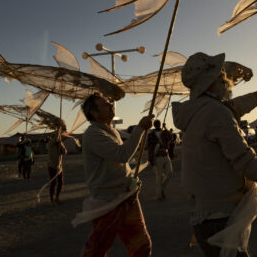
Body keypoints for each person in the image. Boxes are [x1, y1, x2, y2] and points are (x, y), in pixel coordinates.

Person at [172, 52, 257, 257]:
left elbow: (237, 106)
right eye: (222, 78)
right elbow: (248, 164)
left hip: (205, 218)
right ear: (211, 83)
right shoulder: (216, 112)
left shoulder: (200, 110)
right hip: (220, 220)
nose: (227, 81)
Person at [78, 93, 153, 257]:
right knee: (97, 250)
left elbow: (120, 164)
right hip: (107, 201)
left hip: (126, 197)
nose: (111, 105)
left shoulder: (111, 131)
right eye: (105, 104)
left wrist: (131, 179)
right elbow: (122, 155)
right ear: (94, 113)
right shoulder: (93, 133)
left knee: (141, 246)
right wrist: (140, 128)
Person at [151, 120, 173, 200]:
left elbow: (171, 137)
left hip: (166, 156)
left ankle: (162, 189)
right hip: (157, 157)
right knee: (159, 177)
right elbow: (150, 147)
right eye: (156, 124)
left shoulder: (164, 133)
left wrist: (165, 128)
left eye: (158, 124)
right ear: (154, 125)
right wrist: (151, 159)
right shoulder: (151, 134)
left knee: (170, 172)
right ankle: (159, 195)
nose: (158, 125)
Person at [47, 126, 67, 203]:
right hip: (52, 166)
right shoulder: (50, 144)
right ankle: (52, 198)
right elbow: (55, 139)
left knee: (60, 183)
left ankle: (57, 197)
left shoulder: (60, 143)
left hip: (59, 167)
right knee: (53, 183)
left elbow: (65, 151)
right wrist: (59, 129)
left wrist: (62, 149)